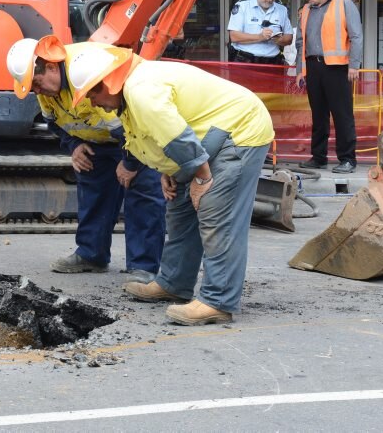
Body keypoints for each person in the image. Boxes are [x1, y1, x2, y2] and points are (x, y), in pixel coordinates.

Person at [66, 46, 274, 326]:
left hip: (239, 131)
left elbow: (177, 137)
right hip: (208, 136)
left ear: (108, 82)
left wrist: (201, 177)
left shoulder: (140, 92)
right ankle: (174, 283)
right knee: (180, 209)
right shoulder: (129, 96)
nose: (93, 102)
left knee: (216, 213)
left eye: (92, 93)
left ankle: (217, 301)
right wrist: (170, 169)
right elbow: (153, 137)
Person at [7, 36, 166, 281]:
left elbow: (133, 128)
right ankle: (92, 255)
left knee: (143, 195)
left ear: (51, 66)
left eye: (37, 84)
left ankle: (143, 267)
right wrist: (74, 145)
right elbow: (54, 122)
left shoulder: (88, 72)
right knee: (94, 191)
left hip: (138, 135)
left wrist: (130, 163)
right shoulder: (46, 88)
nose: (37, 91)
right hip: (98, 138)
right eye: (32, 88)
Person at [292, 0, 363, 174]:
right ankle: (319, 157)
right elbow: (300, 43)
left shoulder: (343, 3)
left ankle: (348, 159)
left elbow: (356, 36)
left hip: (337, 67)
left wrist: (354, 65)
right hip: (313, 67)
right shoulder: (305, 10)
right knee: (318, 115)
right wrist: (300, 70)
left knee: (342, 115)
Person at [227, 0, 293, 65]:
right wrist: (260, 37)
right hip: (246, 61)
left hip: (273, 62)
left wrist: (277, 39)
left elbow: (289, 38)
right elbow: (234, 36)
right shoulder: (243, 6)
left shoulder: (282, 10)